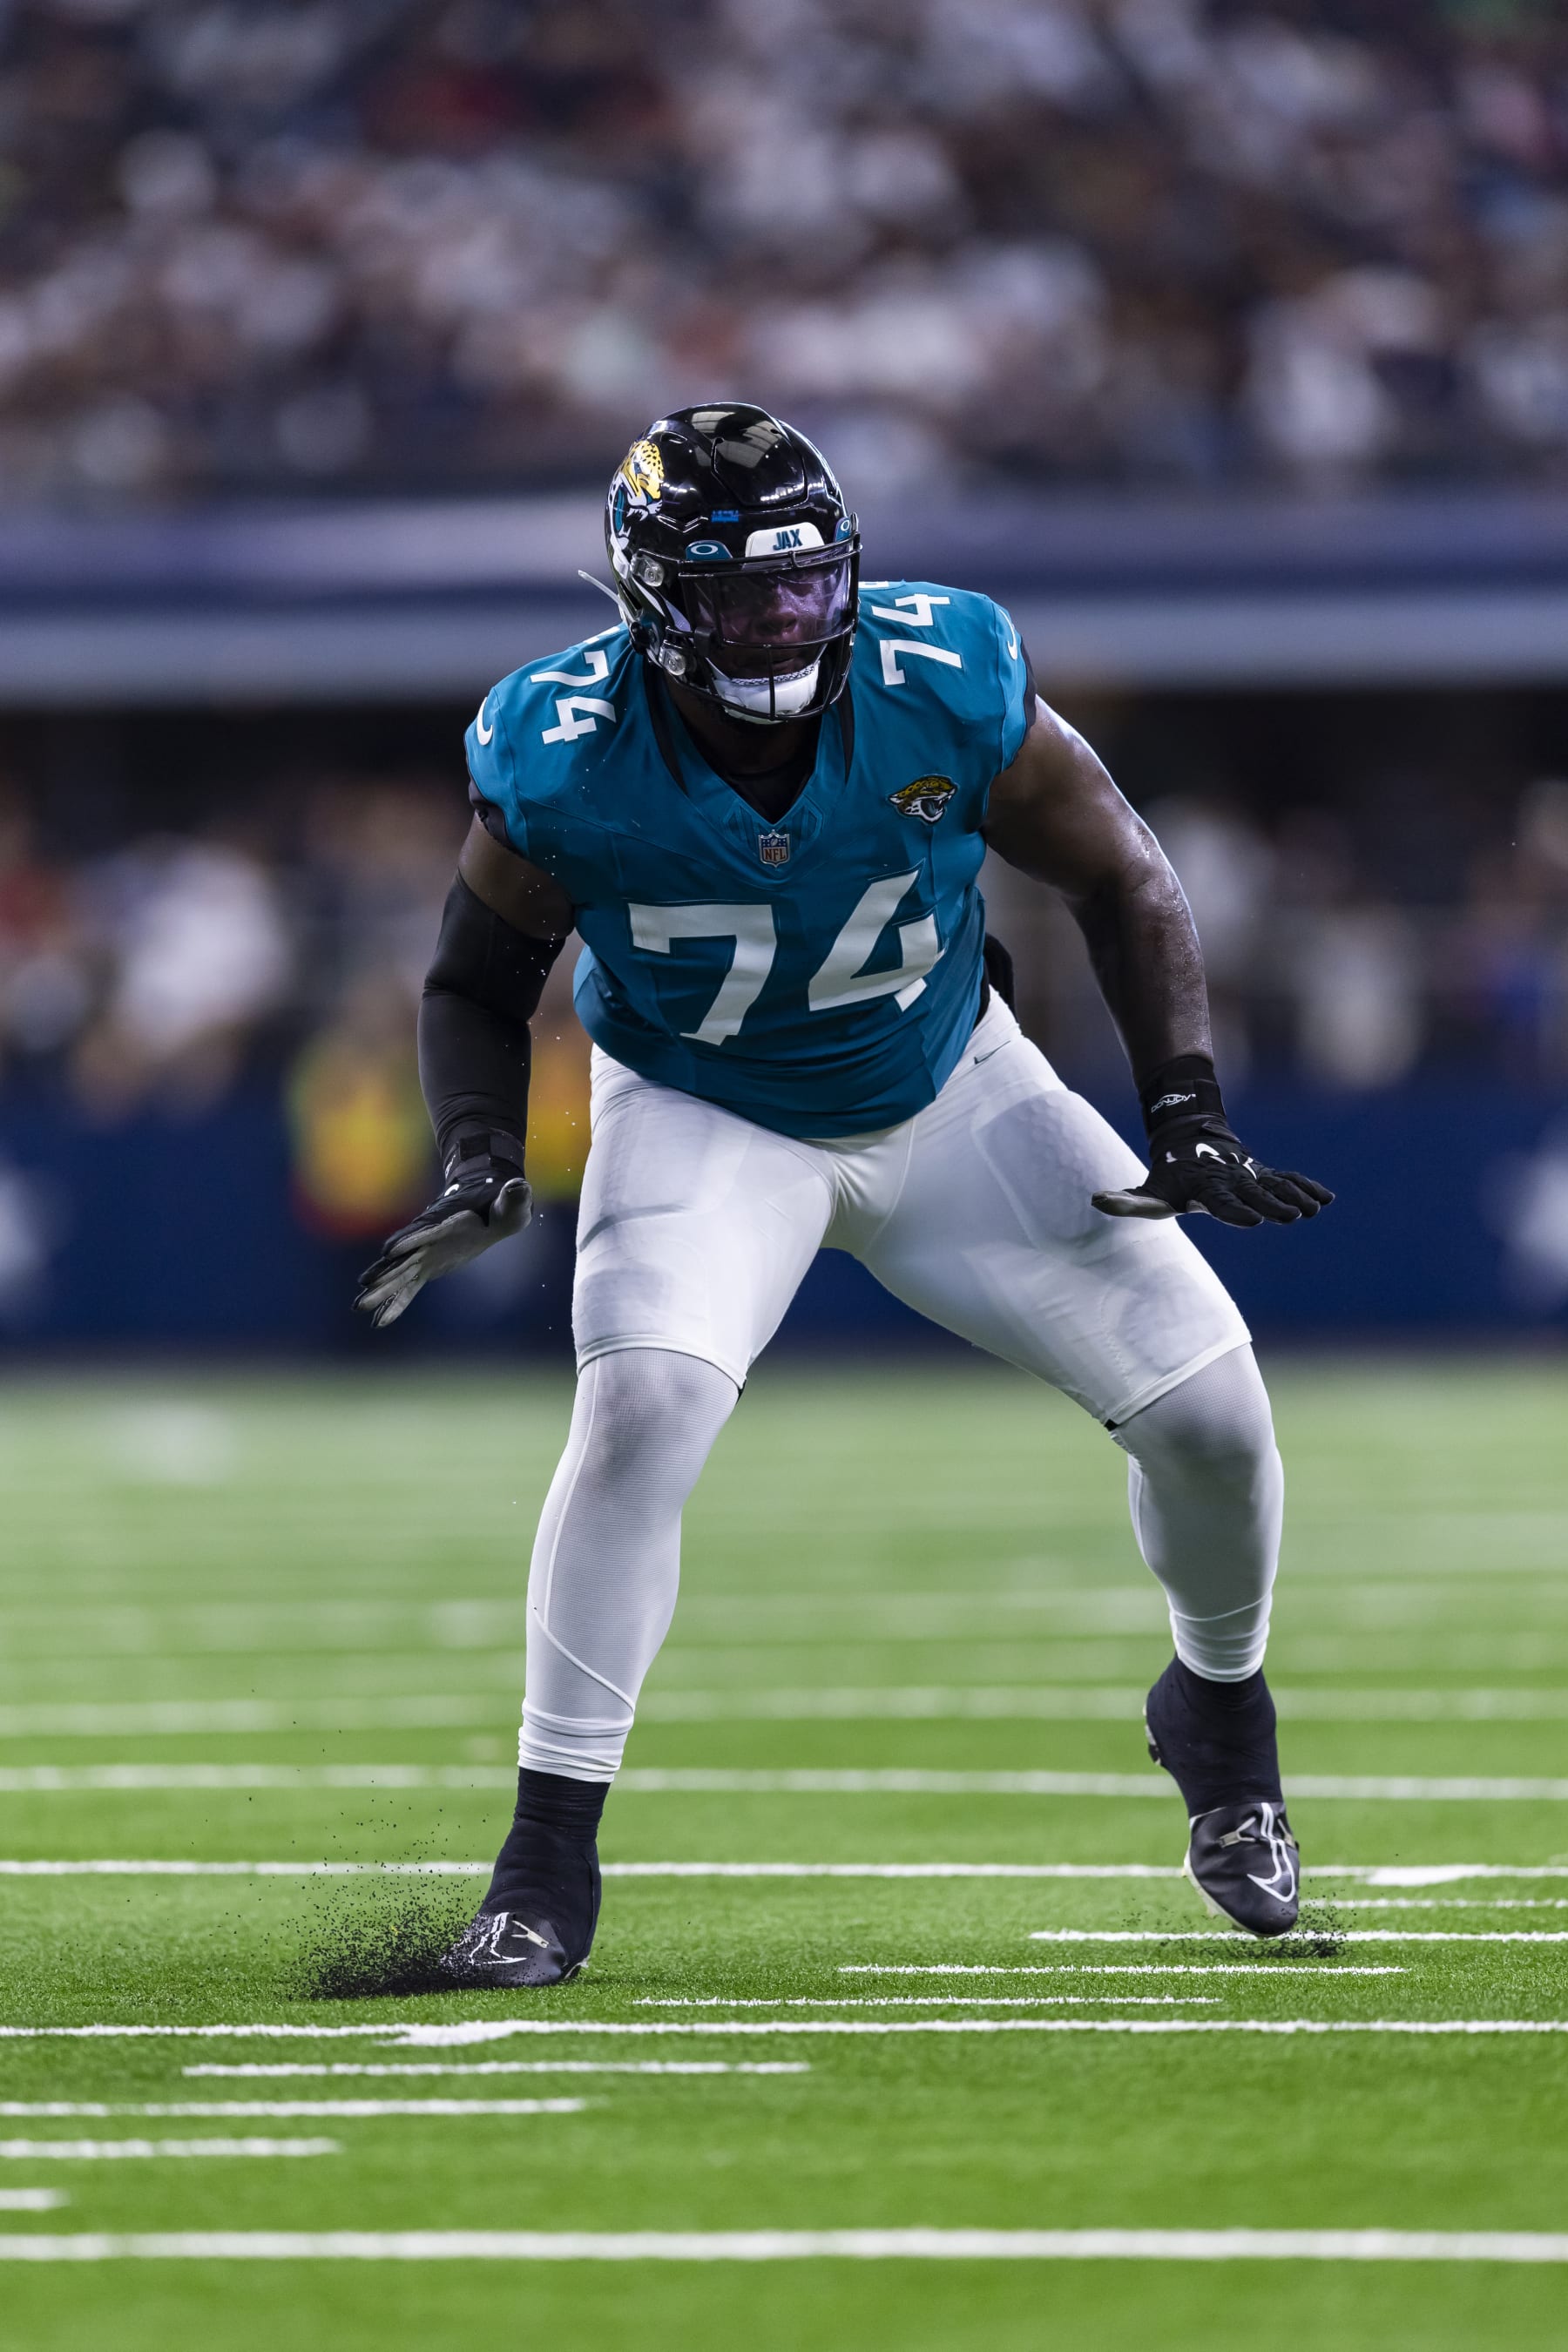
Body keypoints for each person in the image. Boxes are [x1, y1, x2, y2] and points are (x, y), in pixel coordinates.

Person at [356, 403, 1332, 1983]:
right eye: (742, 596)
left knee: (1215, 1417)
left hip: (952, 1086)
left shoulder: (942, 675)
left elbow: (1122, 871)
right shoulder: (565, 749)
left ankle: (1219, 1712)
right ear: (654, 602)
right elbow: (474, 981)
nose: (785, 621)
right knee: (644, 1412)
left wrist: (1186, 1106)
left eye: (807, 585)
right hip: (703, 1110)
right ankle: (543, 1867)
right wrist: (476, 1147)